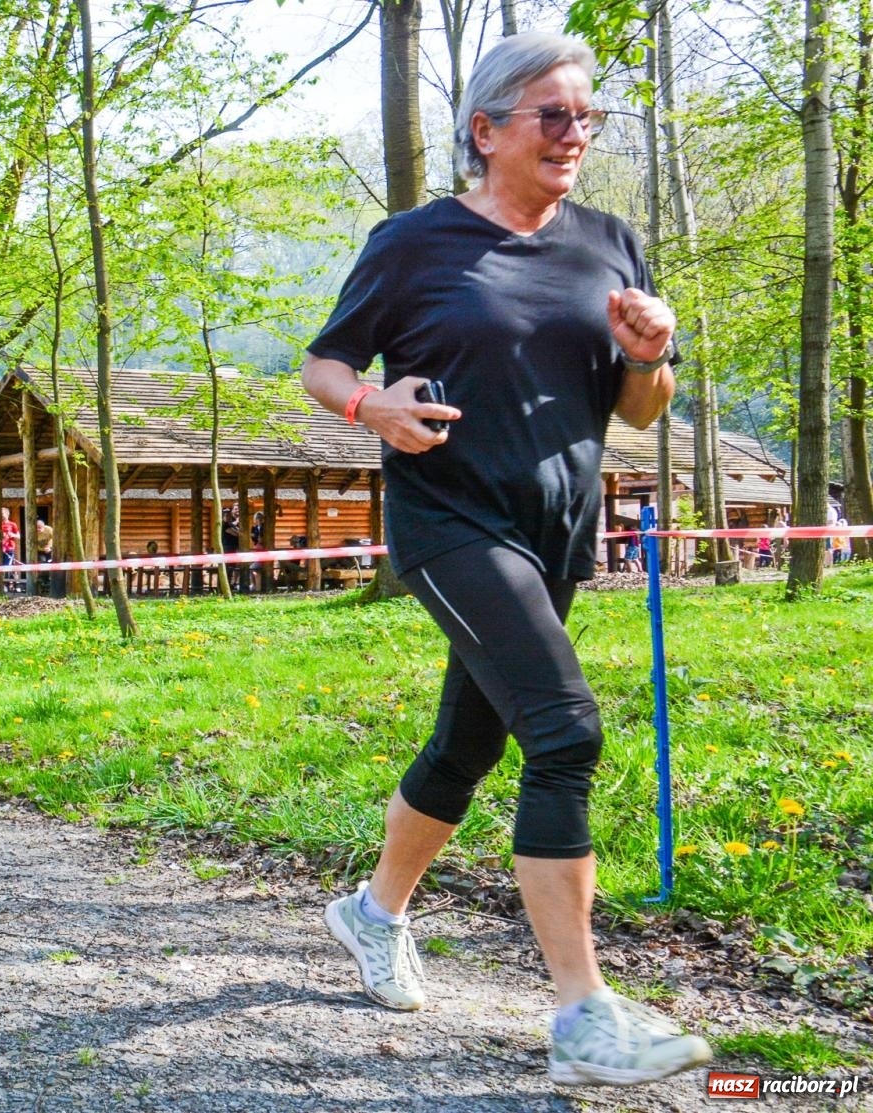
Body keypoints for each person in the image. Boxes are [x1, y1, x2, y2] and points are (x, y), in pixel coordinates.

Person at [300, 32, 710, 1088]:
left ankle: (371, 910)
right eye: (551, 116)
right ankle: (583, 1018)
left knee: (466, 746)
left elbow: (636, 410)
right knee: (565, 733)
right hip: (447, 521)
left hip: (556, 533)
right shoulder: (413, 243)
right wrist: (369, 404)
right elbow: (325, 361)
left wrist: (648, 354)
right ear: (484, 132)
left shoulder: (610, 241)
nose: (574, 134)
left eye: (587, 117)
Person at [0, 506, 21, 591]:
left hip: (9, 548)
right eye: (0, 514)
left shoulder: (13, 524)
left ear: (7, 514)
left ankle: (13, 585)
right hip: (0, 549)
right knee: (3, 566)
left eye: (3, 514)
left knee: (7, 566)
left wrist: (12, 535)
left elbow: (18, 536)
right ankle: (7, 585)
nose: (1, 516)